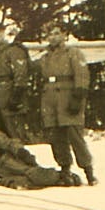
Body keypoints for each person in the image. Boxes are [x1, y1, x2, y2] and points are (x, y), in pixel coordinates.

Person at [36, 22, 95, 184]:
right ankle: (65, 169)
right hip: (50, 100)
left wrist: (78, 98)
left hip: (67, 98)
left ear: (64, 35)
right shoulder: (45, 58)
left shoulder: (73, 53)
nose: (52, 37)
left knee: (75, 136)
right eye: (50, 34)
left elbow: (82, 76)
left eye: (56, 33)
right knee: (56, 137)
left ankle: (88, 170)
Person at [0, 22, 34, 140]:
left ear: (2, 32)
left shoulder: (14, 50)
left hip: (8, 91)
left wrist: (16, 96)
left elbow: (21, 74)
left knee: (13, 131)